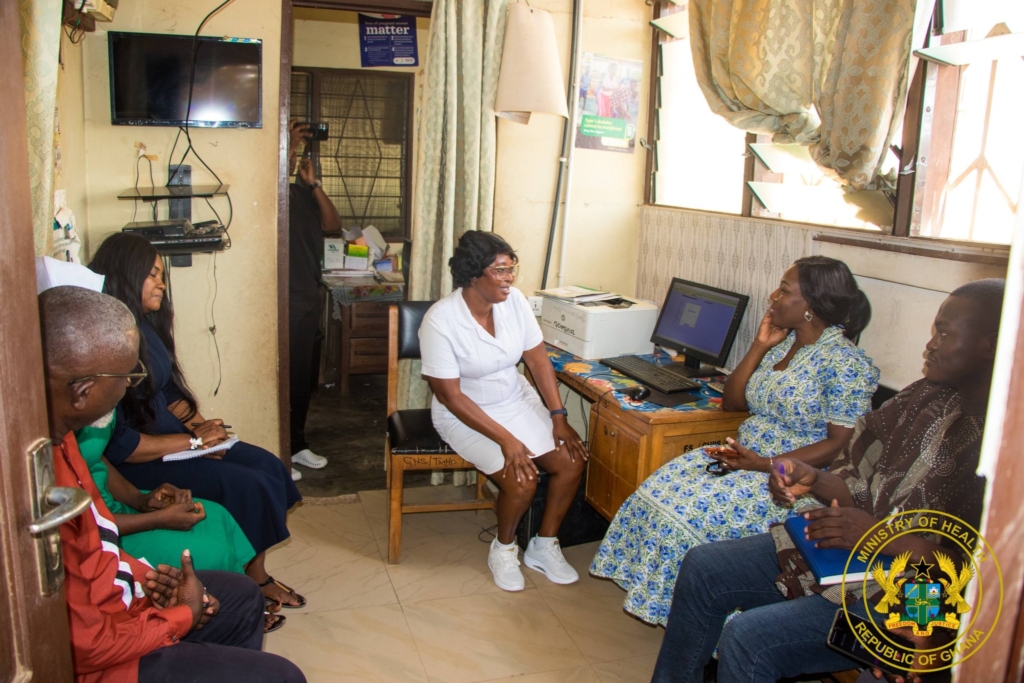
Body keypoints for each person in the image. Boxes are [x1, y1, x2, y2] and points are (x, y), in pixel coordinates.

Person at [650, 279, 1004, 683]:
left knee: (748, 639)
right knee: (704, 567)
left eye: (944, 333)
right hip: (851, 553)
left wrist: (880, 537)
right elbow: (853, 484)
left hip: (915, 594)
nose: (930, 345)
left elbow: (983, 570)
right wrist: (811, 477)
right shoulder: (924, 398)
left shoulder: (1004, 447)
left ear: (991, 345)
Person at [591, 257, 879, 625]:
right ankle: (674, 612)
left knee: (682, 520)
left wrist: (764, 464)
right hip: (743, 458)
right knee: (650, 497)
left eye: (785, 291)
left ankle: (704, 624)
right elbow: (734, 402)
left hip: (788, 479)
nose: (774, 296)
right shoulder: (782, 345)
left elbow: (841, 442)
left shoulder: (845, 362)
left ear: (811, 306)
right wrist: (759, 346)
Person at [39, 285, 305, 682]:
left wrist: (150, 577)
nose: (131, 385)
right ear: (82, 392)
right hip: (112, 661)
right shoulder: (43, 482)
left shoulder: (67, 446)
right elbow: (89, 642)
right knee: (284, 676)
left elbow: (101, 543)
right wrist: (179, 615)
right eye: (127, 376)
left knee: (241, 594)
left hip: (125, 605)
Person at [88, 233, 305, 610]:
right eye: (153, 275)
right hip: (143, 462)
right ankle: (248, 583)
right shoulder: (105, 345)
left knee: (269, 465)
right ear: (126, 274)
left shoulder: (146, 326)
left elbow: (171, 393)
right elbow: (121, 444)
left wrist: (208, 434)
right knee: (245, 485)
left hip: (176, 444)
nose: (161, 284)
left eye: (162, 276)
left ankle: (253, 569)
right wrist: (192, 446)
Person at [420, 231, 589, 591]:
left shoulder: (515, 303)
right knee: (522, 480)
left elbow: (538, 360)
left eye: (512, 267)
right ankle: (504, 547)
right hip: (466, 413)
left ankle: (544, 545)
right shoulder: (441, 320)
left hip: (514, 398)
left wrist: (559, 416)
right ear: (473, 274)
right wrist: (507, 441)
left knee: (572, 460)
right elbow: (450, 396)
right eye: (500, 270)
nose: (509, 277)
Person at [287, 118, 343, 478]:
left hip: (308, 294)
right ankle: (280, 449)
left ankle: (296, 445)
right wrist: (289, 149)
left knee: (304, 378)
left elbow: (332, 225)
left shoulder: (302, 192)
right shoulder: (274, 189)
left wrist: (314, 183)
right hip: (283, 298)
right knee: (285, 377)